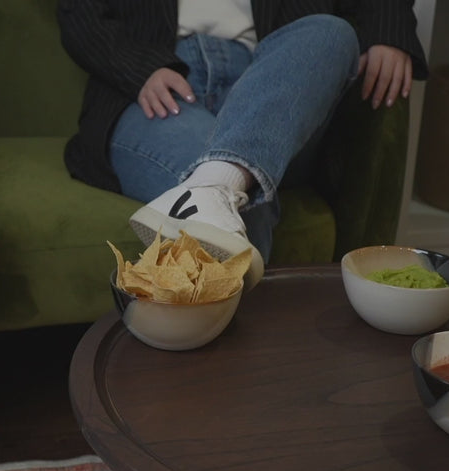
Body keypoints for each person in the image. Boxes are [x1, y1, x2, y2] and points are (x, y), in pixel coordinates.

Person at [57, 0, 428, 288]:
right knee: (235, 204)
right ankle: (226, 180)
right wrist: (139, 68)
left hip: (276, 85)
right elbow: (79, 11)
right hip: (155, 88)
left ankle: (218, 180)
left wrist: (388, 29)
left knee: (332, 32)